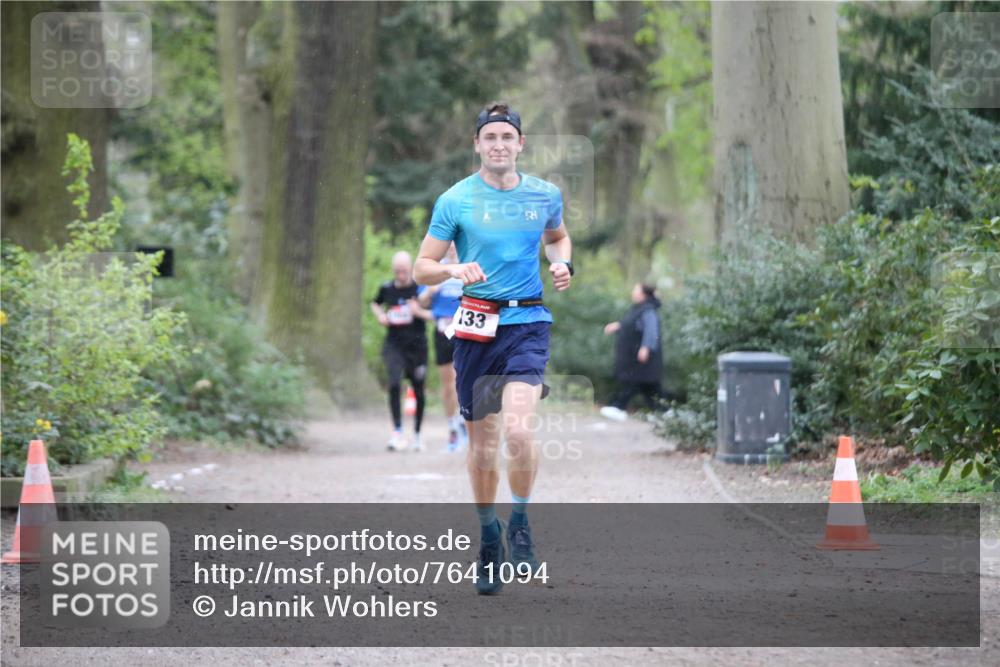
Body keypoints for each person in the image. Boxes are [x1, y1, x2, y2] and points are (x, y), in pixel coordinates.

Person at [413, 101, 573, 595]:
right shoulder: (456, 200)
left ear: (521, 144)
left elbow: (559, 238)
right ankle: (489, 537)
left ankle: (520, 521)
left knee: (519, 432)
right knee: (483, 444)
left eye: (508, 136)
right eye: (491, 138)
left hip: (527, 323)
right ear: (478, 145)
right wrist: (451, 270)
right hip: (475, 329)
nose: (499, 144)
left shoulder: (545, 194)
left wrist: (563, 263)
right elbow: (422, 267)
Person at [371, 251, 432, 452]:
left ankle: (417, 434)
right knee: (395, 383)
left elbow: (433, 311)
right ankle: (397, 431)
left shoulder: (419, 289)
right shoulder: (387, 288)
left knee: (418, 388)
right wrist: (380, 315)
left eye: (404, 271)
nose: (401, 275)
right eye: (397, 271)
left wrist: (419, 309)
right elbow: (375, 303)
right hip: (394, 345)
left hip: (417, 346)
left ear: (410, 268)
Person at [417, 243, 469, 452]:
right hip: (441, 331)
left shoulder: (469, 266)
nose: (452, 248)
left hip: (466, 329)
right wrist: (430, 291)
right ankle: (453, 427)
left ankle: (467, 421)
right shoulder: (437, 269)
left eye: (457, 244)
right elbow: (420, 301)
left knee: (463, 378)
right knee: (448, 383)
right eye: (449, 244)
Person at [600, 282, 666, 421]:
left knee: (634, 382)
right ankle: (664, 412)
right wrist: (618, 326)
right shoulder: (639, 309)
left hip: (642, 358)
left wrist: (646, 347)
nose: (633, 292)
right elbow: (633, 324)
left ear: (643, 293)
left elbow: (651, 330)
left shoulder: (648, 310)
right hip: (634, 358)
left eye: (635, 289)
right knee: (649, 387)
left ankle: (618, 406)